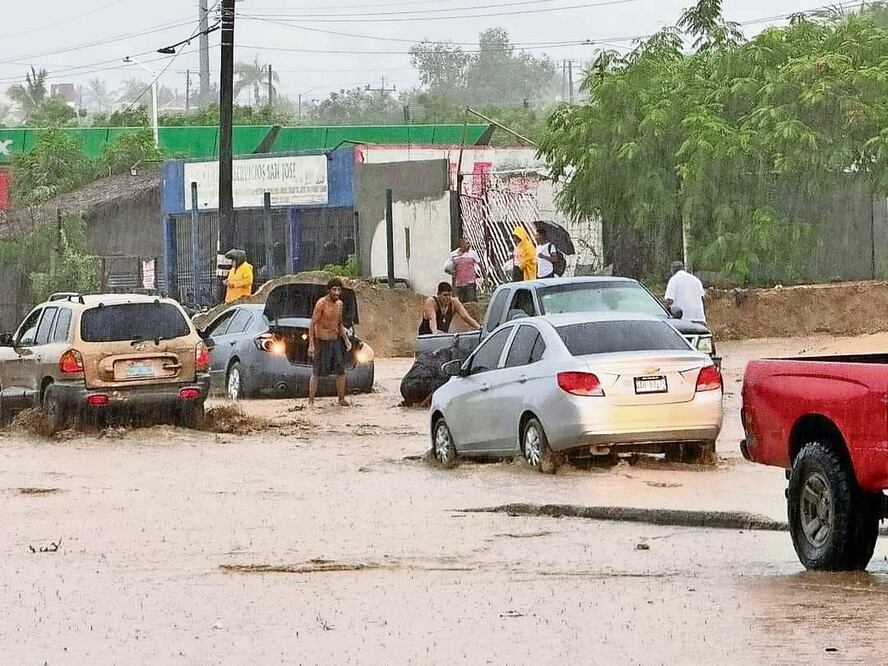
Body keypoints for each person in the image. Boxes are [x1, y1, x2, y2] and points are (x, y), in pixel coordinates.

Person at [308, 277, 353, 406]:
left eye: (339, 289)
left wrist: (346, 340)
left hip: (335, 341)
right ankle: (311, 401)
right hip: (321, 341)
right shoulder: (321, 303)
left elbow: (339, 324)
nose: (337, 292)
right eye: (334, 289)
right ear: (329, 290)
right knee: (316, 371)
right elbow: (312, 324)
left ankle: (341, 399)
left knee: (341, 371)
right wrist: (311, 344)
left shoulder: (340, 304)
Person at [449, 237, 485, 303]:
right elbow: (450, 268)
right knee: (460, 303)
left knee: (471, 302)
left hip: (470, 283)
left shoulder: (473, 253)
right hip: (459, 284)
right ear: (461, 244)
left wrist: (484, 277)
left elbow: (480, 265)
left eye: (468, 243)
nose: (468, 245)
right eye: (466, 243)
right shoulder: (453, 255)